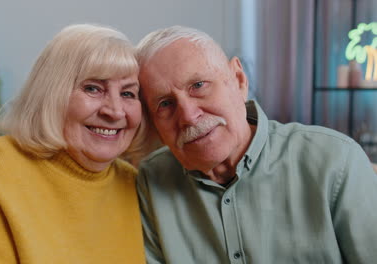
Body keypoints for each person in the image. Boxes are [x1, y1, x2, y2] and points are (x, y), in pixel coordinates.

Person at [135, 25, 377, 263]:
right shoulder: (150, 181)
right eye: (165, 104)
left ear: (239, 80)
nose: (188, 115)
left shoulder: (336, 161)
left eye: (198, 86)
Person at [0, 24, 146, 263]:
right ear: (52, 94)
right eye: (92, 88)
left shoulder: (132, 182)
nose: (114, 111)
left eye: (128, 93)